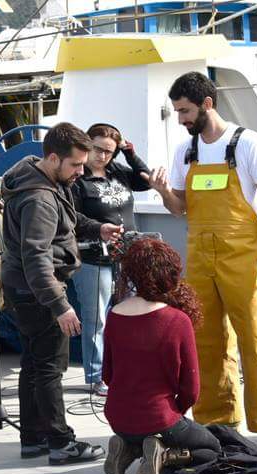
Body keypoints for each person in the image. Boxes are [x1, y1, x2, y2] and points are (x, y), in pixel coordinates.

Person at [146, 71, 257, 448]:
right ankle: (217, 419)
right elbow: (180, 209)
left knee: (256, 338)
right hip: (200, 256)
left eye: (186, 111)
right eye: (177, 112)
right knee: (205, 338)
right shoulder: (185, 152)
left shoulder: (248, 144)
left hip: (243, 254)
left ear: (207, 104)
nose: (181, 119)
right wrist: (163, 192)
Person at [1, 122, 122, 465]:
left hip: (24, 288)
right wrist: (60, 306)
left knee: (33, 364)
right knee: (51, 367)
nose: (81, 171)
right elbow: (36, 257)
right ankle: (60, 443)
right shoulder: (39, 199)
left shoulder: (38, 177)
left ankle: (33, 439)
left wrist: (98, 227)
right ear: (53, 158)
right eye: (75, 165)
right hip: (39, 289)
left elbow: (67, 217)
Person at [102, 237, 221, 474]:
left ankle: (128, 448)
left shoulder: (114, 314)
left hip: (117, 416)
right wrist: (172, 412)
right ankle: (162, 456)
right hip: (159, 417)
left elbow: (107, 375)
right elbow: (191, 389)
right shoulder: (178, 320)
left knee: (139, 429)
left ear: (131, 273)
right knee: (212, 449)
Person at [69, 123, 159, 396]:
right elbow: (73, 217)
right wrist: (99, 230)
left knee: (130, 315)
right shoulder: (78, 179)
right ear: (87, 145)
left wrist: (130, 154)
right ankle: (96, 376)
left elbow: (146, 180)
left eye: (109, 151)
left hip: (128, 255)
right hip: (94, 257)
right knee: (96, 318)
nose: (102, 156)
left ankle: (125, 368)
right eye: (97, 149)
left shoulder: (118, 171)